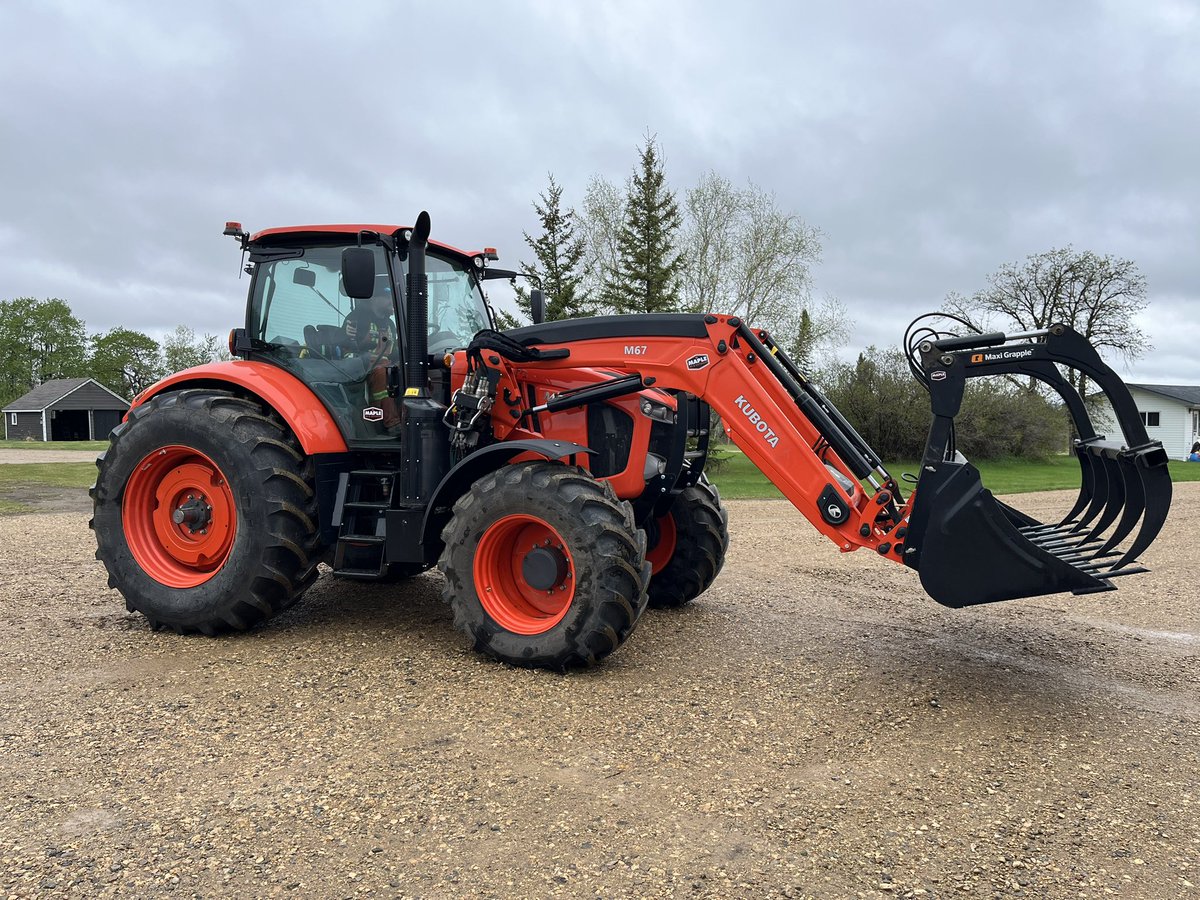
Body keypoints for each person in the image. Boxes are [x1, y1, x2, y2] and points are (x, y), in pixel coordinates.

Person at [342, 289, 401, 430]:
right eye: (387, 297)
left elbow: (392, 352)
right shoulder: (356, 318)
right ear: (374, 298)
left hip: (386, 364)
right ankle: (391, 423)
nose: (391, 302)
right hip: (361, 368)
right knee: (383, 374)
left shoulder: (390, 324)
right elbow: (347, 346)